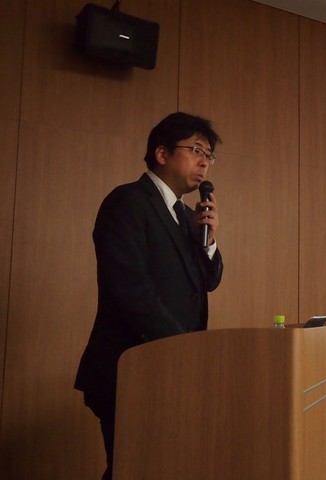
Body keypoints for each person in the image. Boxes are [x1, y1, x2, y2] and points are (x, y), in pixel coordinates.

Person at [74, 112, 224, 480]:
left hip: (172, 367)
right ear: (161, 153)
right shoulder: (127, 202)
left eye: (209, 155)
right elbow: (131, 290)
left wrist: (209, 241)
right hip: (132, 364)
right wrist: (181, 350)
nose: (204, 162)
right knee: (133, 467)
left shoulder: (187, 216)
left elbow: (209, 280)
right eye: (196, 150)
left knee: (162, 465)